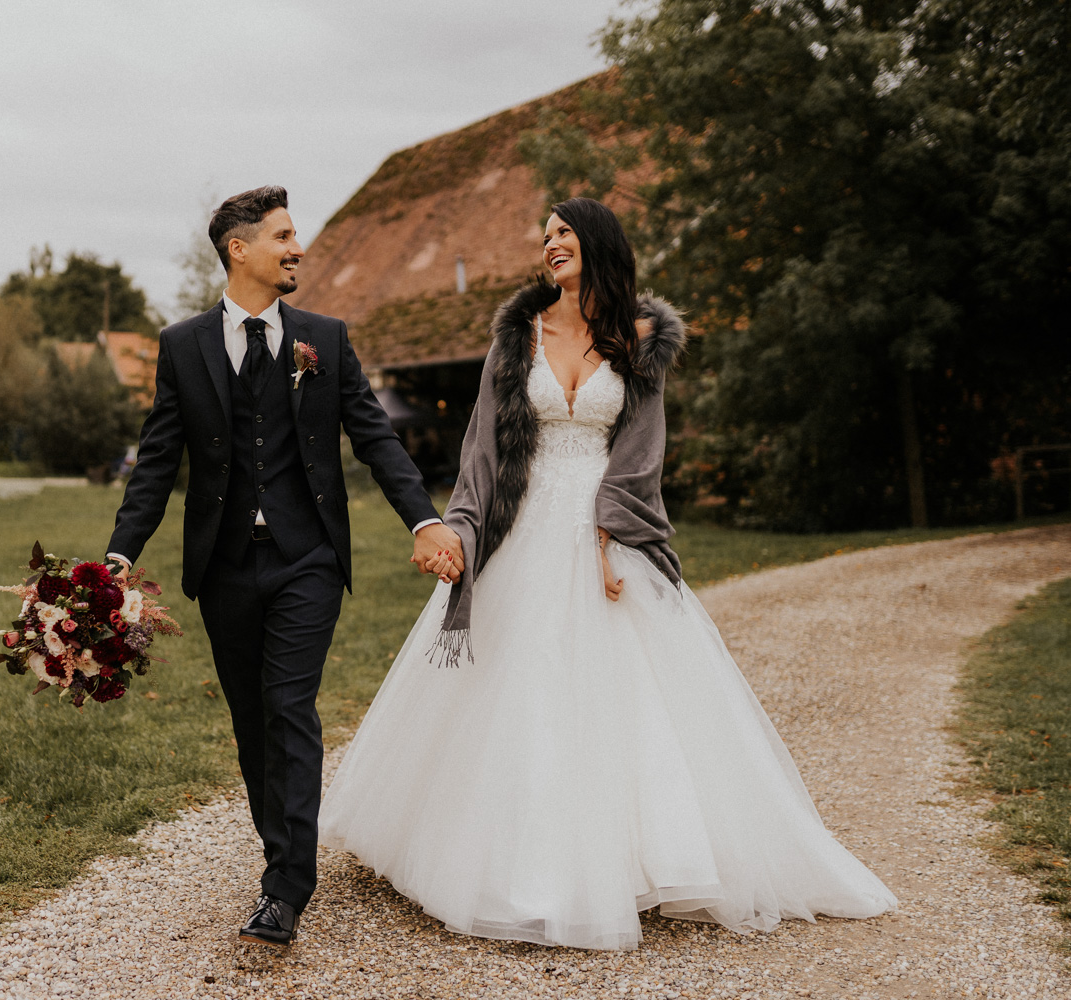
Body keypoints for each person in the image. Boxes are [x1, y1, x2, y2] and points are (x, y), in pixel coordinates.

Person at [317, 198, 897, 951]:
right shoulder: (515, 335)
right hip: (522, 526)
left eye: (563, 232)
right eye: (544, 236)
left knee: (627, 697)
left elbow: (642, 449)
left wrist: (608, 532)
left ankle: (639, 859)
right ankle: (511, 860)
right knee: (521, 691)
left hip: (607, 528)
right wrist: (460, 527)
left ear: (597, 242)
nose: (550, 243)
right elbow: (484, 451)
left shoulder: (642, 337)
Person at [104, 186, 464, 947]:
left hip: (308, 559)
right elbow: (156, 463)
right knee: (251, 722)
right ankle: (282, 855)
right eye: (283, 235)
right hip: (225, 566)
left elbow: (375, 438)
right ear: (240, 249)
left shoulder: (324, 340)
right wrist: (118, 556)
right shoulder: (183, 345)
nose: (297, 247)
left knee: (289, 706)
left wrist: (425, 518)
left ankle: (286, 888)